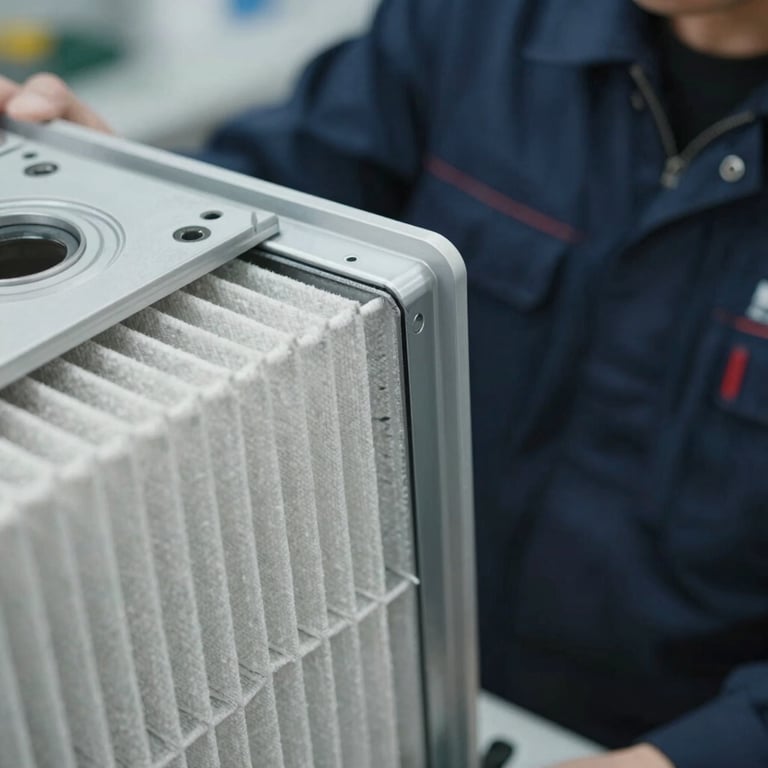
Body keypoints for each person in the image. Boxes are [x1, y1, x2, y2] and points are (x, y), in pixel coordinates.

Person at [3, 0, 768, 765]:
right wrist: (130, 207)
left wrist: (693, 754)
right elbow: (280, 202)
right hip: (388, 669)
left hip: (673, 722)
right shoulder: (475, 22)